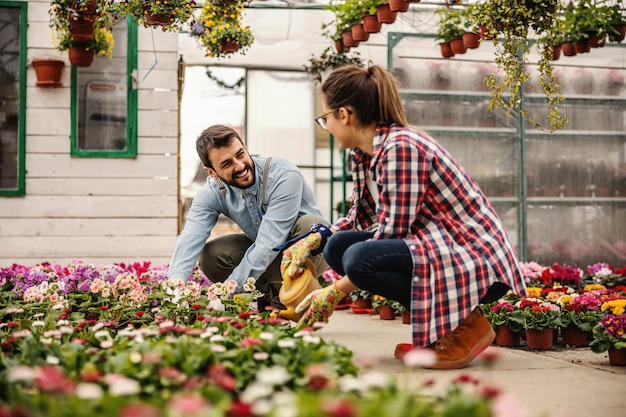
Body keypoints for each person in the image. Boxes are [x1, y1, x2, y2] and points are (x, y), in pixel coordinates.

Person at [282, 64, 527, 370]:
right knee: (337, 248)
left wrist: (333, 291)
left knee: (359, 260)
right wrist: (315, 240)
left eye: (325, 118)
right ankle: (442, 330)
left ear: (344, 115)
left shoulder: (400, 148)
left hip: (474, 259)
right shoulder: (366, 153)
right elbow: (361, 221)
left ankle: (466, 329)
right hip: (440, 250)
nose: (327, 126)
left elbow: (391, 234)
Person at [168, 124, 329, 310]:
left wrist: (226, 293)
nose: (240, 165)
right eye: (227, 164)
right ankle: (265, 302)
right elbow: (190, 237)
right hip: (269, 256)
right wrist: (174, 287)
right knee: (211, 255)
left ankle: (287, 303)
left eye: (240, 154)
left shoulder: (283, 176)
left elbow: (269, 241)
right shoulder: (212, 192)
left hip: (310, 251)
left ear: (245, 147)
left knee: (311, 226)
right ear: (212, 172)